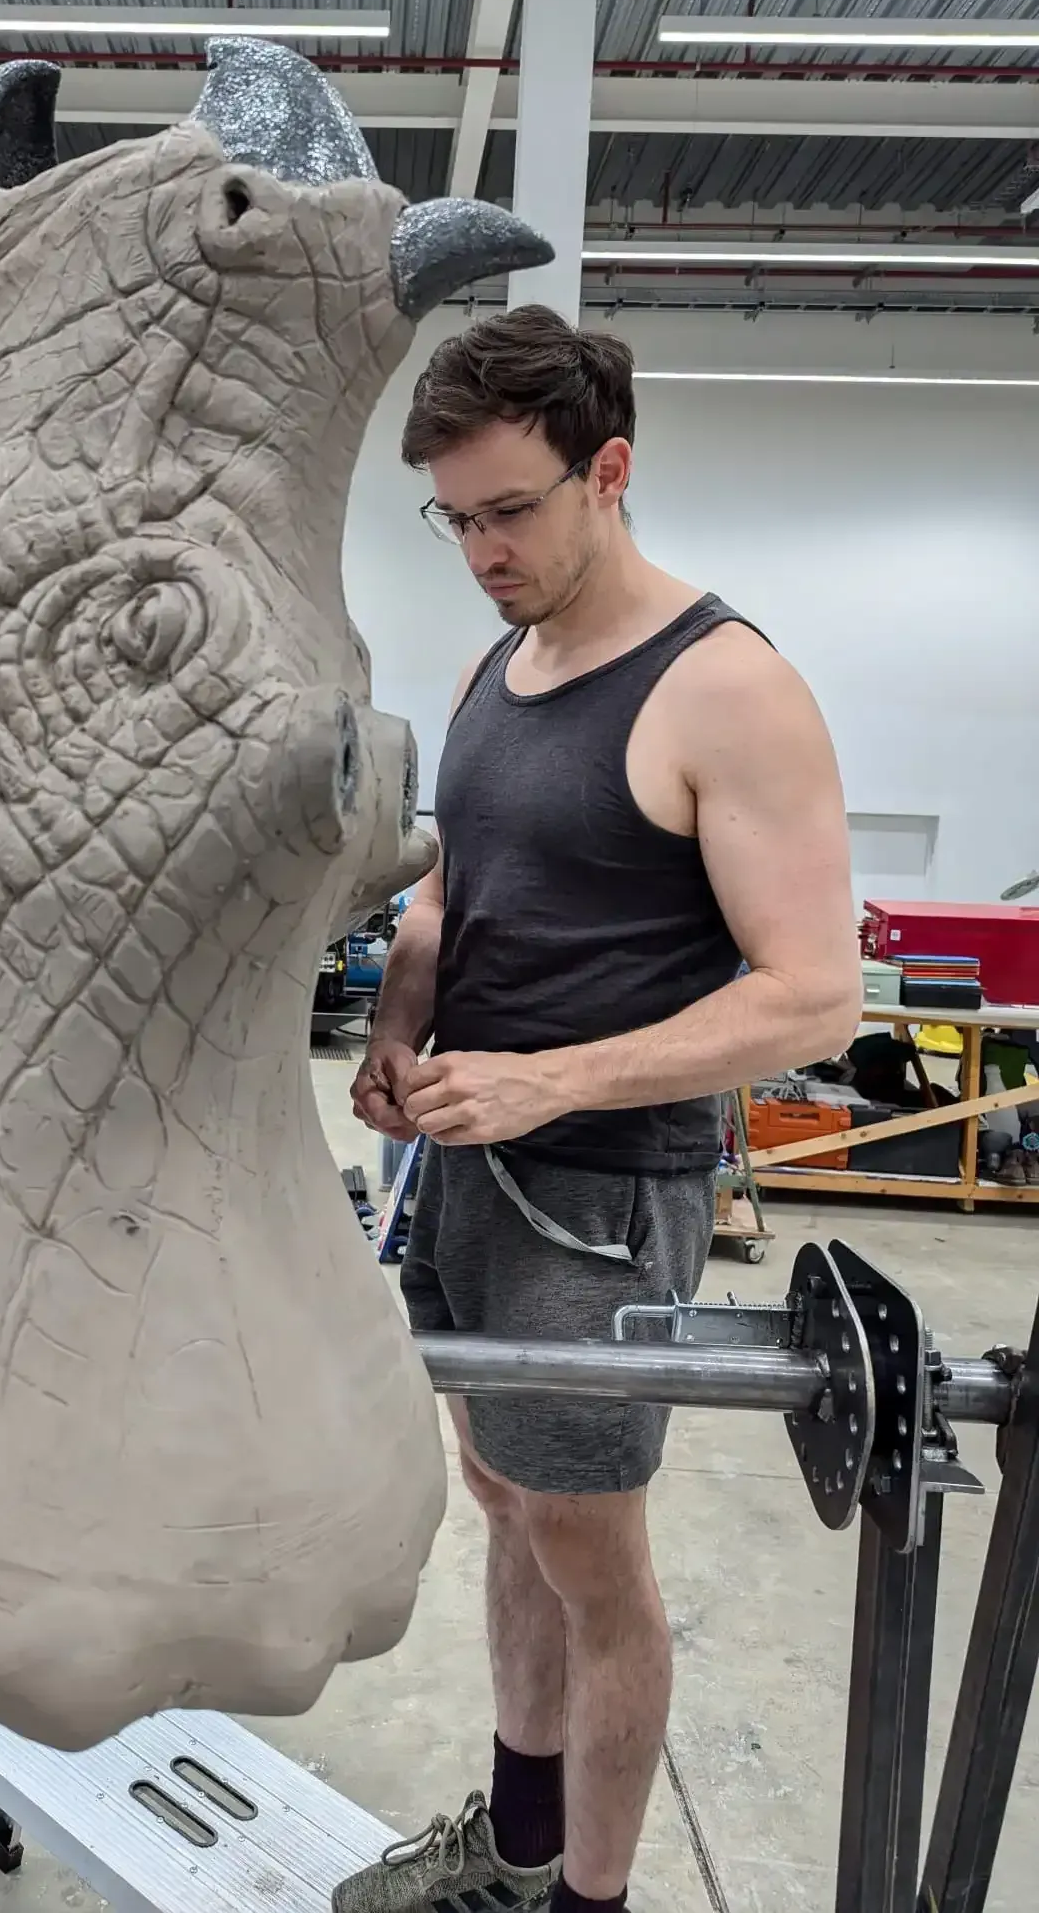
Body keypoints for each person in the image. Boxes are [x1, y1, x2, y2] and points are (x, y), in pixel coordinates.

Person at [334, 306, 861, 1913]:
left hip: (600, 1191)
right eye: (456, 519)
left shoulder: (728, 689)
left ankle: (591, 1902)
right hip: (468, 1168)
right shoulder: (506, 659)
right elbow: (457, 895)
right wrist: (401, 1022)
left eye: (511, 511)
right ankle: (515, 1850)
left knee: (591, 1553)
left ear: (607, 471)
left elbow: (813, 996)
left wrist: (548, 1081)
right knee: (504, 1499)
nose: (480, 551)